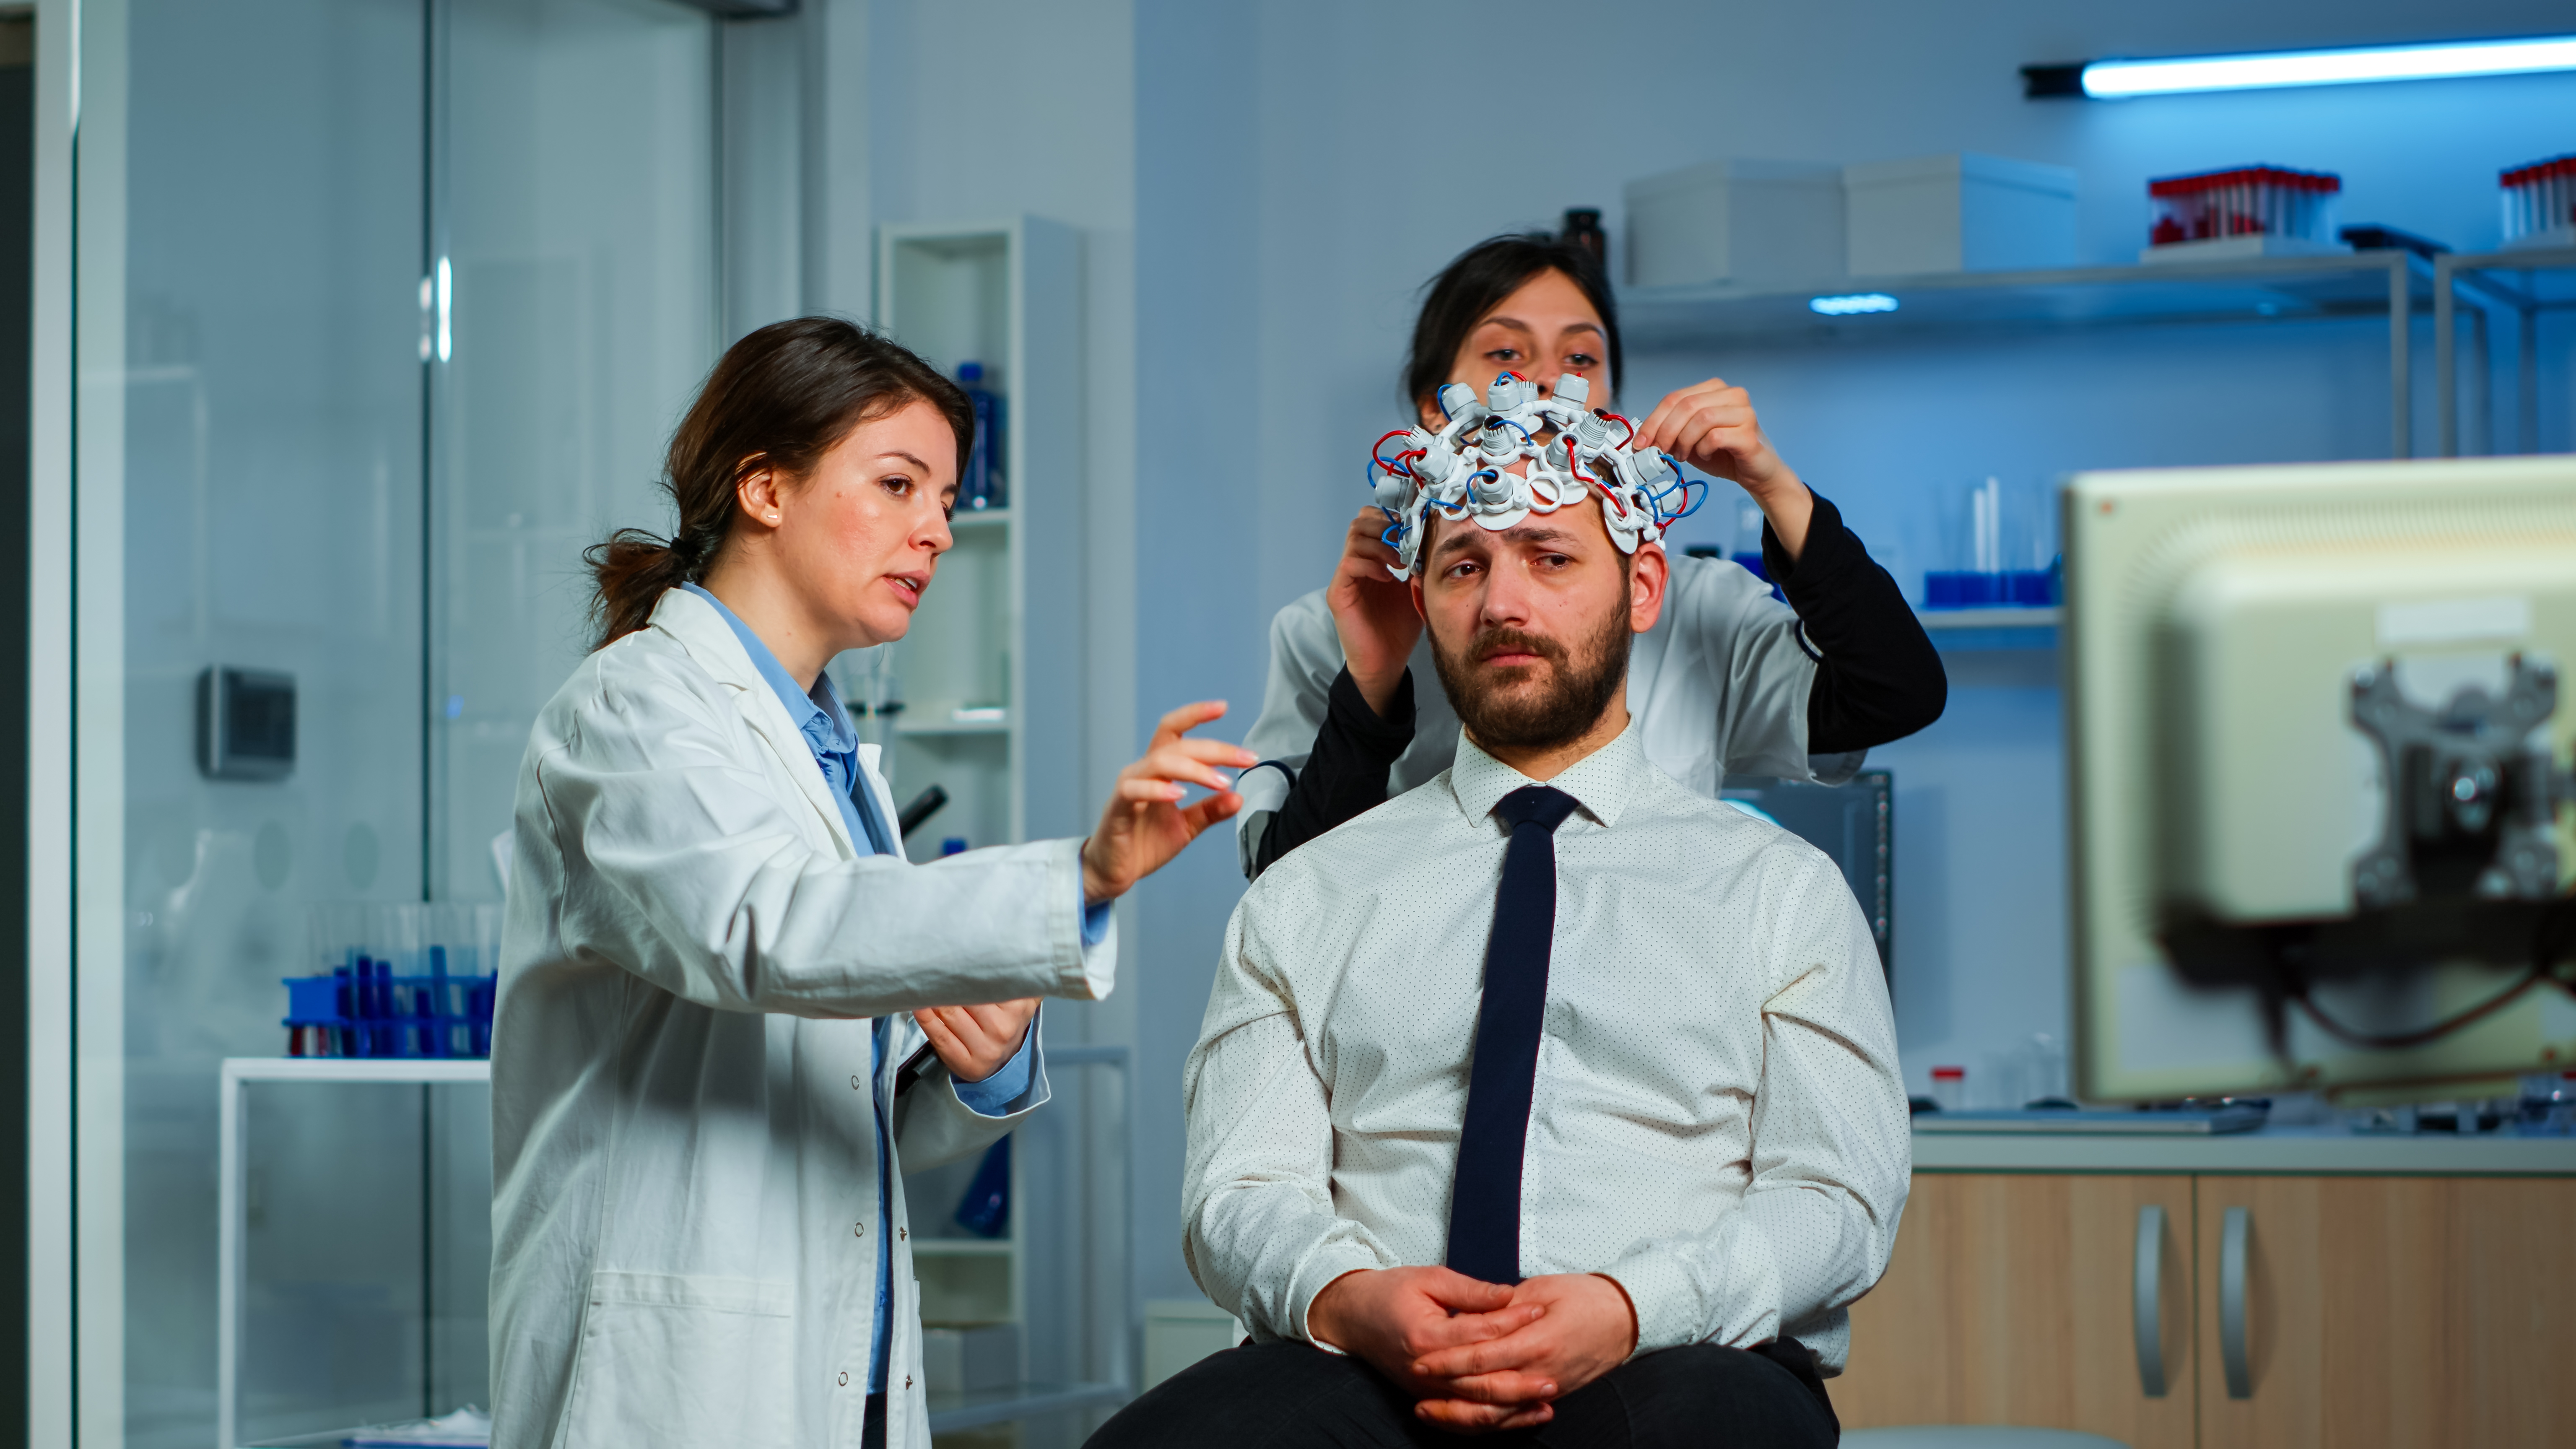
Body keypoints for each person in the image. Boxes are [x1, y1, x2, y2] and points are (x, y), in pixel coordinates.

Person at [487, 318, 1253, 1449]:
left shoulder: (833, 759)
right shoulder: (632, 709)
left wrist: (975, 1074)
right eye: (899, 485)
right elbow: (762, 930)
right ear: (764, 487)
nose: (935, 531)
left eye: (944, 498)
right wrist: (1077, 879)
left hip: (834, 1363)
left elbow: (847, 1108)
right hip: (671, 1369)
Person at [1096, 465, 1909, 1446]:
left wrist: (1630, 1304)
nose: (1503, 602)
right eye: (1464, 567)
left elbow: (1835, 1200)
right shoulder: (1307, 893)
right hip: (1368, 1364)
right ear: (1422, 600)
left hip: (1677, 1359)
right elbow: (1240, 1193)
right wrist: (1352, 1297)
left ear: (1643, 587)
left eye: (1551, 558)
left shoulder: (1780, 889)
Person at [1238, 231, 1944, 879]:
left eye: (1580, 359)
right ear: (1435, 411)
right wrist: (1371, 688)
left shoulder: (1699, 608)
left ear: (1645, 587)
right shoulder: (1330, 633)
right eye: (1507, 355)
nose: (1546, 383)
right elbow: (1287, 902)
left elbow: (1894, 694)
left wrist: (1774, 486)